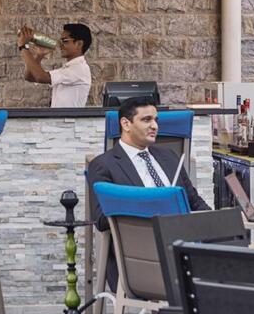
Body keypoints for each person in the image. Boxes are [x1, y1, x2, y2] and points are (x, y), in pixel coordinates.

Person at [87, 96, 211, 288]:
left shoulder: (170, 157)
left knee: (236, 260)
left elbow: (195, 202)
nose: (155, 126)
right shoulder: (103, 165)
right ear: (126, 124)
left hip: (186, 246)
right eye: (146, 120)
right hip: (142, 257)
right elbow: (102, 220)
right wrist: (151, 203)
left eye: (156, 120)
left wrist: (215, 222)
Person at [17, 23, 92, 107]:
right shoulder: (68, 68)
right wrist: (39, 55)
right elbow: (30, 77)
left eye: (64, 41)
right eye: (60, 42)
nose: (60, 45)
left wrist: (23, 47)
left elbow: (40, 77)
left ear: (79, 44)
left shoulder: (79, 69)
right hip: (59, 116)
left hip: (68, 116)